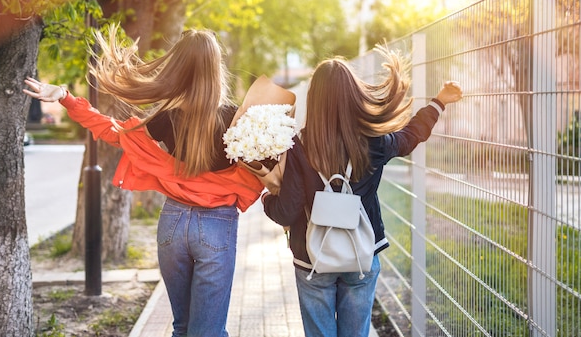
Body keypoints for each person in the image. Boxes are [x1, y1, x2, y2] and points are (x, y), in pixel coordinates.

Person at [24, 25, 264, 337]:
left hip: (173, 224)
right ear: (216, 68)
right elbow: (270, 165)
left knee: (183, 328)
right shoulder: (237, 120)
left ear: (179, 68)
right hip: (217, 226)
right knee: (209, 332)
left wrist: (67, 99)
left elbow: (114, 132)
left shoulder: (167, 117)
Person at [262, 47, 463, 337]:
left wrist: (267, 198)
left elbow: (287, 210)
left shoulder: (297, 146)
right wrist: (439, 103)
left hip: (311, 259)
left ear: (314, 99)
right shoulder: (373, 142)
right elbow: (411, 136)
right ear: (353, 95)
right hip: (361, 255)